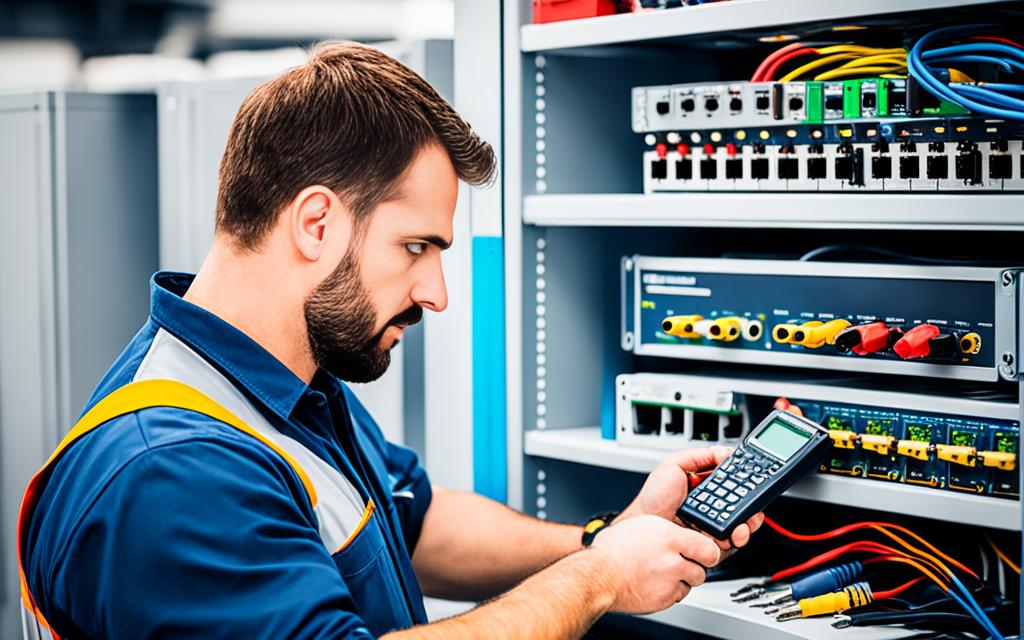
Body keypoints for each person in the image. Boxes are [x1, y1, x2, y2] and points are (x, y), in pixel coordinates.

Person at [18, 42, 763, 640]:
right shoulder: (174, 473)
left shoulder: (283, 382)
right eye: (416, 247)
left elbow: (413, 523)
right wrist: (599, 580)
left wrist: (603, 537)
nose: (437, 293)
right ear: (316, 224)